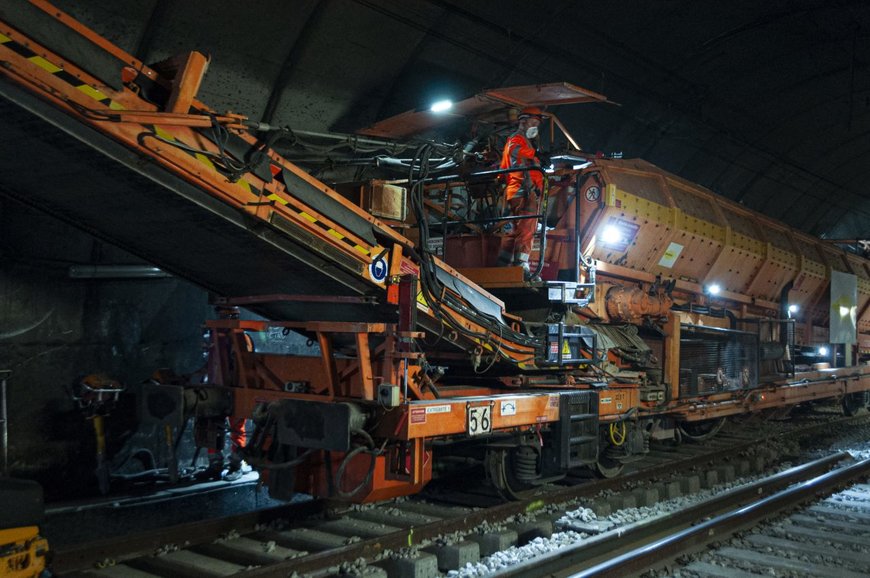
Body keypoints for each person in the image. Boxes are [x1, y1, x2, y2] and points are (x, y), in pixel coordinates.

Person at [498, 106, 545, 278]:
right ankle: (521, 266)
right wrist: (535, 153)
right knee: (527, 227)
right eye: (533, 122)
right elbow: (515, 152)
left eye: (538, 124)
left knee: (515, 231)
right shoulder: (516, 139)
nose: (536, 127)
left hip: (518, 190)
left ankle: (503, 265)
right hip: (524, 191)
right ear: (523, 121)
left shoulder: (526, 142)